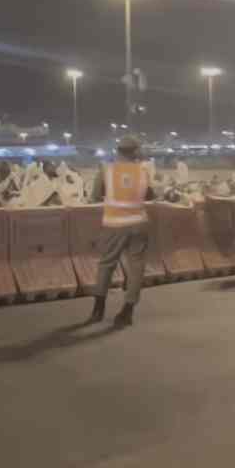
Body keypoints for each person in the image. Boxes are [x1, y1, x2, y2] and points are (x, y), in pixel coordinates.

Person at [87, 135, 155, 328]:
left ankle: (98, 309)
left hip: (114, 225)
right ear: (136, 152)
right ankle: (127, 311)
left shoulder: (106, 170)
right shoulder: (143, 171)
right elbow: (150, 195)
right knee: (136, 268)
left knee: (106, 264)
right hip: (139, 224)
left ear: (117, 151)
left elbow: (95, 196)